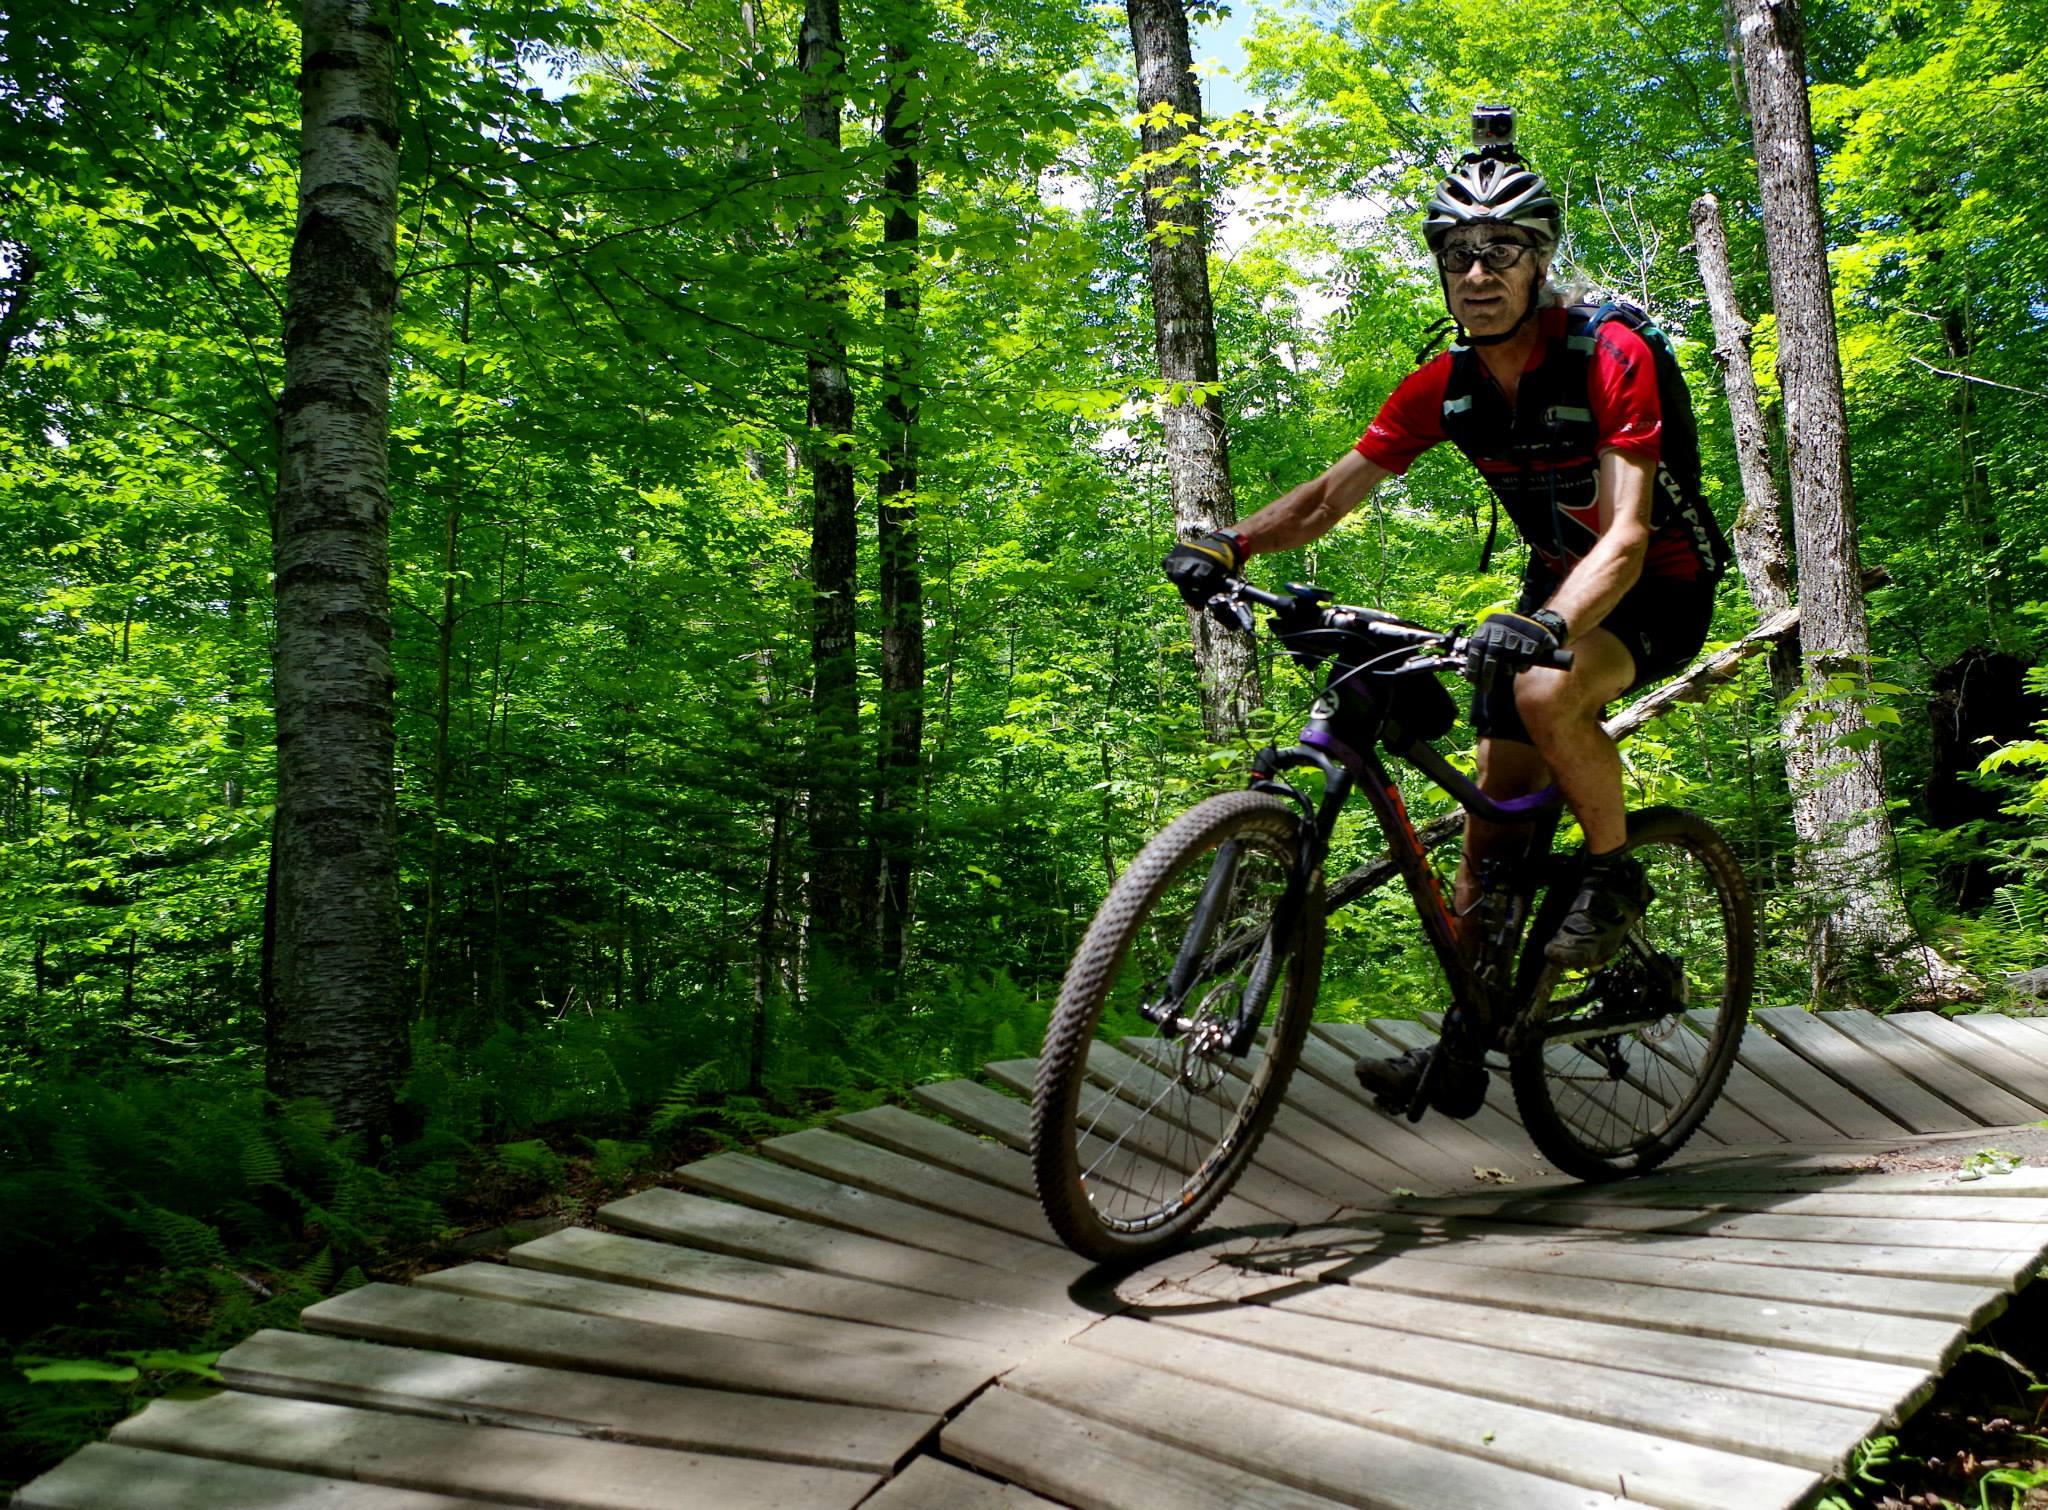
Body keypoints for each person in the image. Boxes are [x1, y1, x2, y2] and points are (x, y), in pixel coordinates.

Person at [1161, 109, 1721, 1116]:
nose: (1477, 271)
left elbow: (1629, 534)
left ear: (1538, 258)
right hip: (1552, 593)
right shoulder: (1444, 386)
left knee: (1548, 690)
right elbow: (1329, 498)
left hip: (1653, 587)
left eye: (1500, 248)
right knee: (1489, 827)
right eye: (1457, 252)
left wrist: (1549, 628)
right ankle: (1464, 1043)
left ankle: (1612, 875)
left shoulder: (1608, 352)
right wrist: (1230, 542)